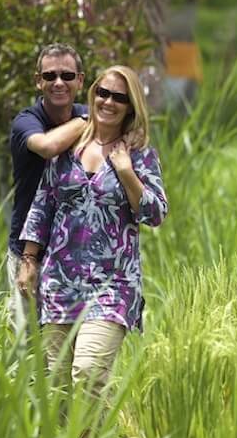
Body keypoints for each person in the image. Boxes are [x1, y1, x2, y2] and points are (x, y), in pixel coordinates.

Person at [18, 65, 168, 398]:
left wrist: (127, 173)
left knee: (88, 376)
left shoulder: (139, 155)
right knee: (54, 387)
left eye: (119, 97)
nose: (108, 102)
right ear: (92, 94)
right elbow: (42, 205)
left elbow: (156, 214)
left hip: (112, 284)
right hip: (59, 282)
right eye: (103, 93)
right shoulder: (67, 150)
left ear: (130, 106)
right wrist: (29, 260)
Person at [8, 43, 89, 327]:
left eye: (67, 76)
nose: (58, 82)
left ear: (80, 80)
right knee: (28, 348)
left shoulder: (90, 113)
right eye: (50, 75)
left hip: (78, 253)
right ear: (38, 80)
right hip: (31, 255)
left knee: (71, 352)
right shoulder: (26, 122)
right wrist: (89, 122)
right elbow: (47, 147)